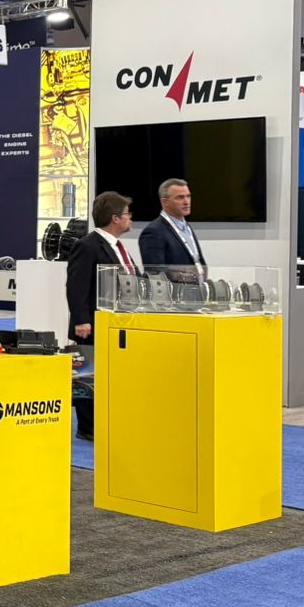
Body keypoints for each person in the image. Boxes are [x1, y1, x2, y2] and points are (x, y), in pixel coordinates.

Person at [65, 191, 136, 441]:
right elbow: (76, 285)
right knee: (88, 375)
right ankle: (87, 427)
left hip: (117, 323)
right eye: (127, 214)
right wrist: (81, 320)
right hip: (92, 325)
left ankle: (107, 420)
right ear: (115, 218)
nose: (130, 218)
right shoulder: (87, 245)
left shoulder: (118, 247)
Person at [136, 178, 206, 281]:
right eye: (180, 197)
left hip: (198, 289)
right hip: (177, 290)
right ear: (165, 202)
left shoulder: (187, 227)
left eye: (188, 196)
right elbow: (156, 274)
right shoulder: (153, 232)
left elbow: (198, 261)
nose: (186, 202)